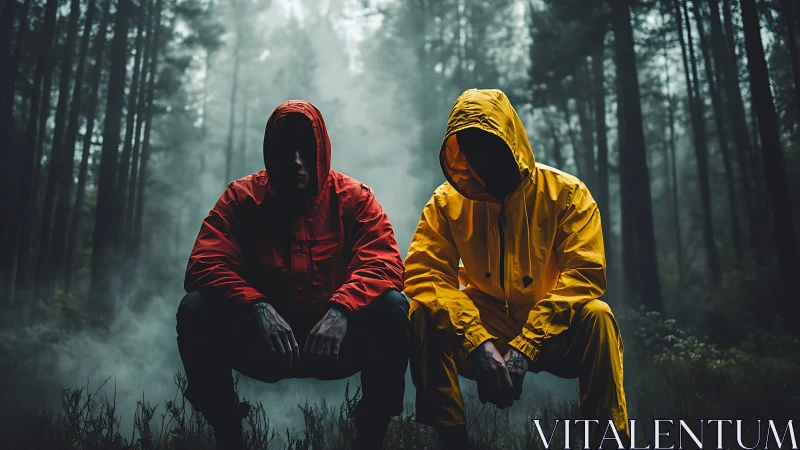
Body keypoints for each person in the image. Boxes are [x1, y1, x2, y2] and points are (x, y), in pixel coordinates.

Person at [177, 100, 409, 450]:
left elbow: (384, 263)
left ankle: (371, 435)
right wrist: (256, 306)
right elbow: (204, 264)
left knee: (393, 307)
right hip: (263, 344)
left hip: (335, 344)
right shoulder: (241, 198)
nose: (297, 161)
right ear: (272, 154)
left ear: (321, 152)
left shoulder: (355, 198)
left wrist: (342, 310)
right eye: (287, 151)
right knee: (195, 308)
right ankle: (228, 433)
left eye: (306, 151)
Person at [404, 89, 628, 449]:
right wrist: (477, 341)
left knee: (599, 317)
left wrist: (527, 345)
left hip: (551, 327)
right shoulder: (447, 202)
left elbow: (584, 275)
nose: (481, 159)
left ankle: (607, 440)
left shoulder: (567, 194)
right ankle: (452, 439)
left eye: (489, 145)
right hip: (484, 325)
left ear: (511, 140)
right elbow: (425, 274)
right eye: (470, 148)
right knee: (422, 313)